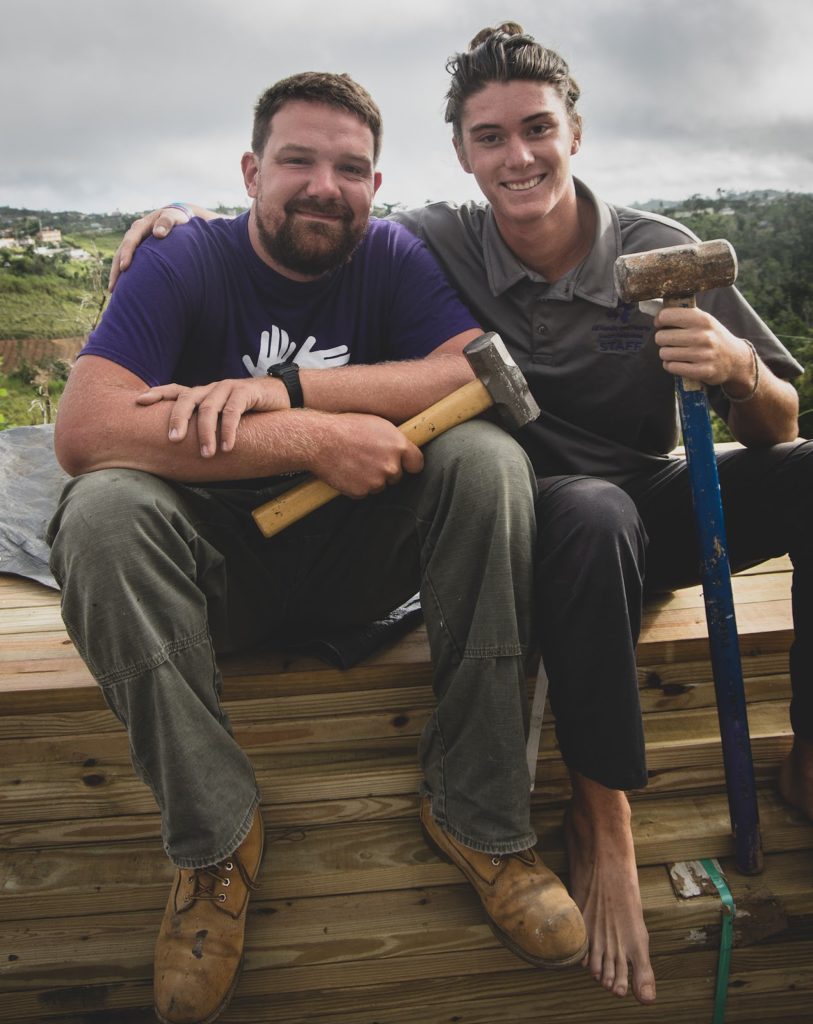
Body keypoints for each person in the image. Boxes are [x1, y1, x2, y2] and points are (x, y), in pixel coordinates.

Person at [109, 25, 813, 1009]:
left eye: (537, 129)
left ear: (575, 132)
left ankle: (807, 758)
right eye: (490, 138)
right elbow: (315, 209)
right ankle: (600, 820)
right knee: (589, 513)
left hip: (659, 496)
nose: (517, 157)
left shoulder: (663, 249)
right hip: (550, 519)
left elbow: (780, 420)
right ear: (462, 154)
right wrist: (182, 221)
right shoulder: (438, 240)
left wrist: (737, 369)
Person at [49, 71, 589, 1024]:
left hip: (358, 564)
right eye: (297, 160)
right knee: (99, 514)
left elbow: (459, 369)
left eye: (349, 167)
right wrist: (308, 444)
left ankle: (482, 819)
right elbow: (87, 430)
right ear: (253, 171)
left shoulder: (392, 256)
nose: (322, 185)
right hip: (214, 569)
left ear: (374, 187)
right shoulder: (185, 261)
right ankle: (217, 845)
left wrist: (296, 396)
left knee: (487, 459)